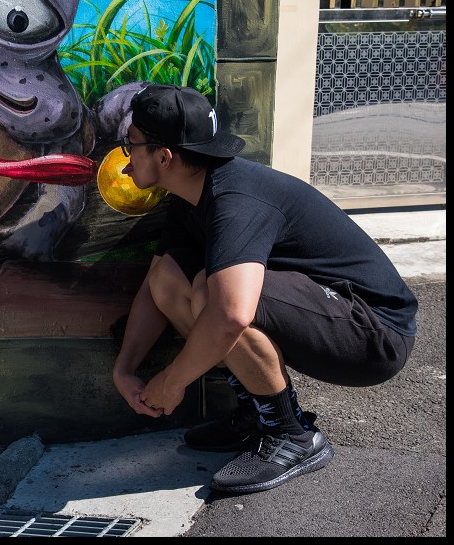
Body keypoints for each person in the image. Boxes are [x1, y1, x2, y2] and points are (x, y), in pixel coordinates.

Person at [110, 83, 418, 494]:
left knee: (216, 295)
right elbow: (156, 287)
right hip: (325, 312)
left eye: (131, 145)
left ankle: (292, 435)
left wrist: (172, 381)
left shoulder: (235, 198)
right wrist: (124, 369)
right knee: (172, 277)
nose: (125, 163)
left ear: (164, 156)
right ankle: (260, 412)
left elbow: (233, 314)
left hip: (374, 333)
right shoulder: (189, 195)